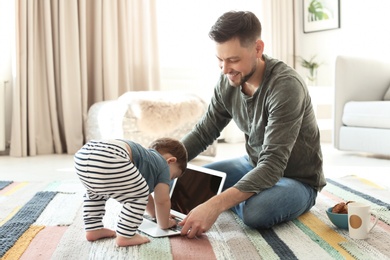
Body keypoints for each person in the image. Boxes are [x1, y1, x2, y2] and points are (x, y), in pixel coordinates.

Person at [179, 11, 326, 238]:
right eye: (220, 59)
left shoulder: (286, 86)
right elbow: (203, 133)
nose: (225, 69)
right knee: (184, 188)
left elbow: (273, 164)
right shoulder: (228, 79)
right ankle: (241, 193)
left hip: (297, 179)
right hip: (252, 164)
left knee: (256, 212)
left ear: (258, 49)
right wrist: (163, 163)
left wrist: (215, 204)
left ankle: (240, 196)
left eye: (233, 60)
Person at [74, 137, 187, 246]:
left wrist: (157, 215)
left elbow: (146, 195)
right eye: (172, 177)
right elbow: (162, 200)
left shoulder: (145, 161)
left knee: (95, 193)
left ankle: (93, 228)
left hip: (84, 155)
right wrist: (164, 223)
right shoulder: (163, 165)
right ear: (170, 161)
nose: (168, 180)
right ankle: (126, 235)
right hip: (109, 155)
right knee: (139, 193)